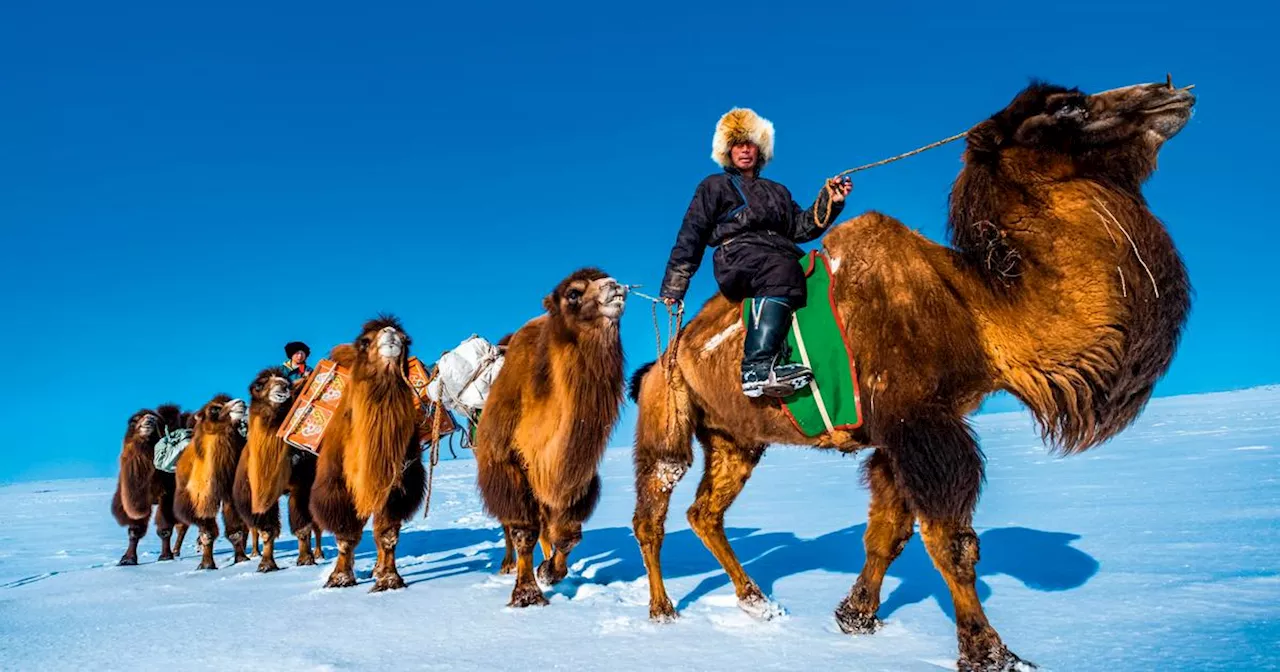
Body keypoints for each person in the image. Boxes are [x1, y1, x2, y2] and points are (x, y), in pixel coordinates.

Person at [658, 107, 852, 398]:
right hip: (737, 255)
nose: (744, 150)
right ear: (727, 151)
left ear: (760, 149)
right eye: (737, 144)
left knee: (815, 275)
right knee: (781, 270)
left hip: (780, 253)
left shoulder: (779, 191)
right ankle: (757, 368)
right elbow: (692, 233)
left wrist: (831, 200)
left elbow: (800, 228)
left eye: (750, 144)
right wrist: (675, 284)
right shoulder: (714, 186)